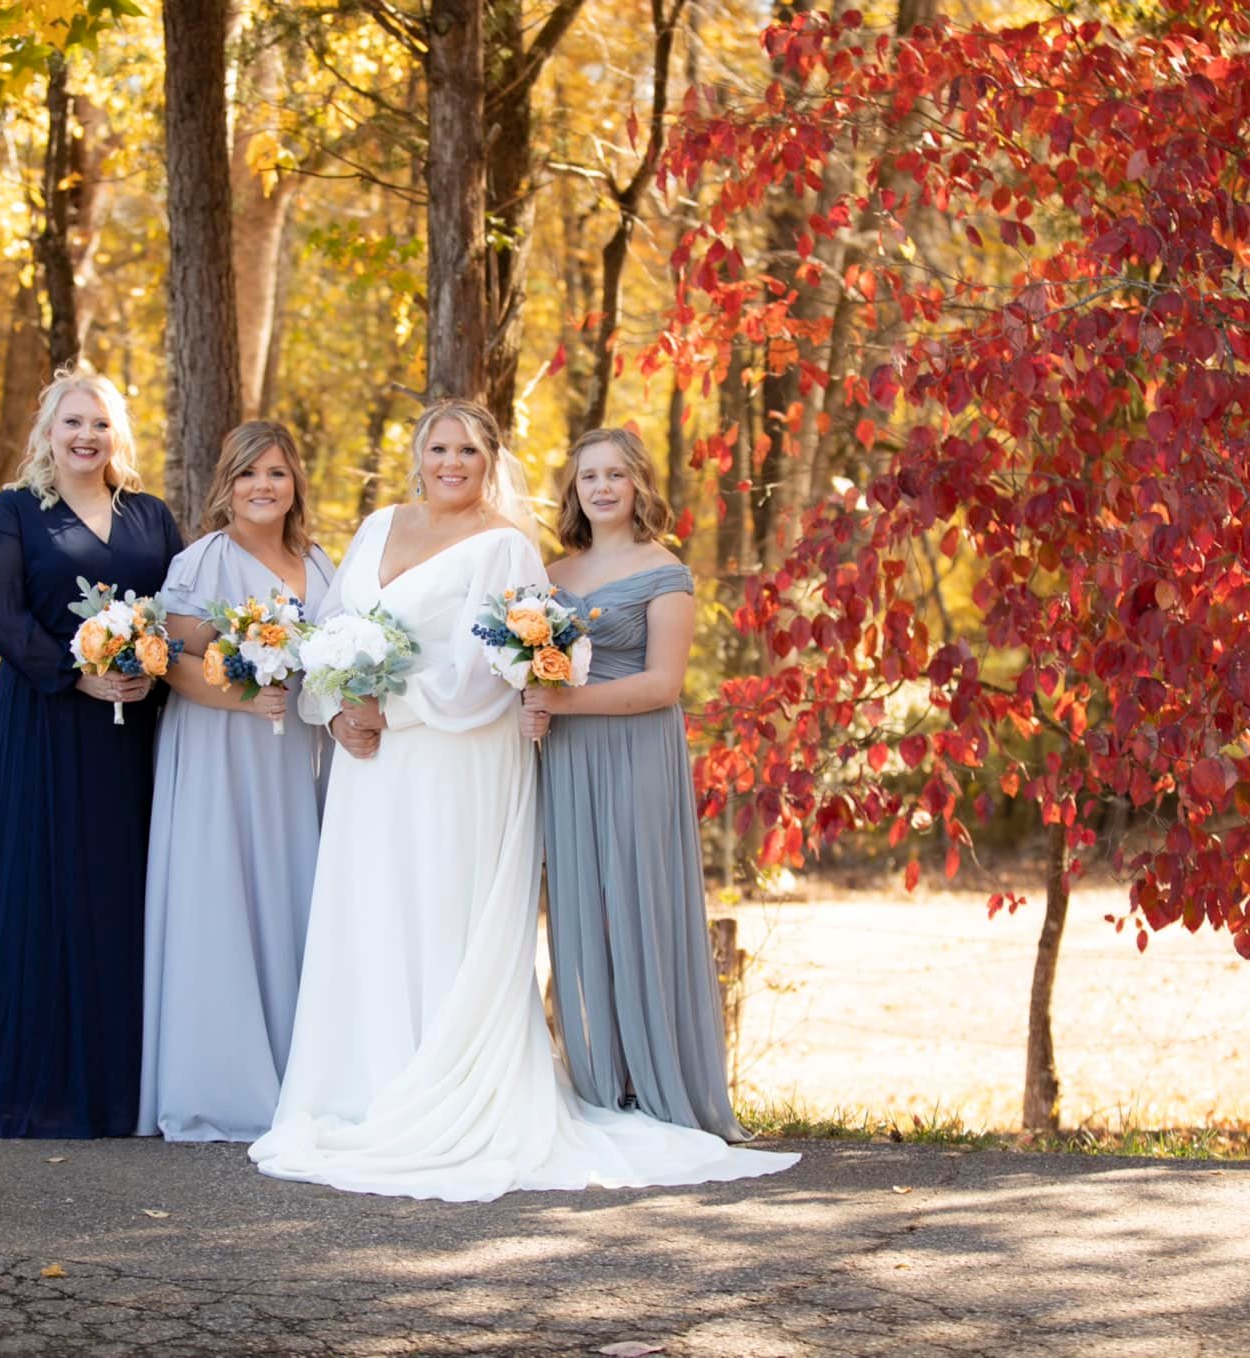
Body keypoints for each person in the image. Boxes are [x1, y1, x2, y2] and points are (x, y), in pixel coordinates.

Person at [249, 399, 798, 1200]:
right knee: (371, 913)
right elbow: (329, 632)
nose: (451, 463)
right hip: (369, 766)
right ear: (419, 453)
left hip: (457, 757)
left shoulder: (509, 547)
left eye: (468, 450)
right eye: (438, 447)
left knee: (442, 915)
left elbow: (490, 672)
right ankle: (359, 1087)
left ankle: (448, 1088)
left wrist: (388, 708)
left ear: (489, 459)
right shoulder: (375, 528)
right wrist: (335, 708)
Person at [0, 370, 183, 1138]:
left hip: (137, 735)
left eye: (101, 425)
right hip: (46, 723)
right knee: (41, 888)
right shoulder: (16, 513)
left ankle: (121, 1090)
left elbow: (178, 616)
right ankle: (32, 1086)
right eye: (73, 423)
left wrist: (153, 674)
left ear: (120, 437)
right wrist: (76, 675)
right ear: (47, 431)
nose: (87, 437)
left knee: (124, 893)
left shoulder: (151, 518)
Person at [522, 427, 746, 1141]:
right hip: (567, 759)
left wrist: (561, 703)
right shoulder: (550, 577)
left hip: (635, 753)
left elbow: (662, 685)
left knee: (638, 908)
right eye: (590, 476)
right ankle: (598, 1084)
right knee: (581, 910)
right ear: (574, 489)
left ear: (640, 485)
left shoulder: (664, 571)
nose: (603, 487)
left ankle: (660, 1086)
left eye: (617, 474)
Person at [139, 422, 336, 1141]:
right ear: (227, 483)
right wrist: (245, 696)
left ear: (295, 484)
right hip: (220, 751)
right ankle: (218, 1084)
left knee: (291, 890)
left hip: (295, 757)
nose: (264, 486)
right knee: (221, 892)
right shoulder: (201, 563)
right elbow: (171, 659)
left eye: (278, 474)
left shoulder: (318, 563)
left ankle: (297, 1073)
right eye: (250, 473)